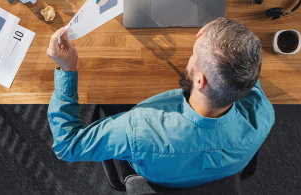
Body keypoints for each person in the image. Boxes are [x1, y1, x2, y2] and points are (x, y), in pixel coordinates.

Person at [47, 17, 274, 188]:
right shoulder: (263, 112)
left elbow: (67, 146)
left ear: (200, 80)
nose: (191, 58)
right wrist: (218, 34)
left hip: (159, 175)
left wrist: (67, 69)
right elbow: (245, 64)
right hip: (220, 171)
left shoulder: (138, 128)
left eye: (193, 57)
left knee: (112, 105)